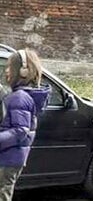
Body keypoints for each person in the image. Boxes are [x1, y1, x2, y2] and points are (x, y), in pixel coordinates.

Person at [0, 49, 50, 201]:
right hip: (12, 157)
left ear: (23, 71)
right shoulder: (22, 95)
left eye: (10, 67)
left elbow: (20, 130)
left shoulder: (20, 97)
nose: (6, 70)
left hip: (7, 158)